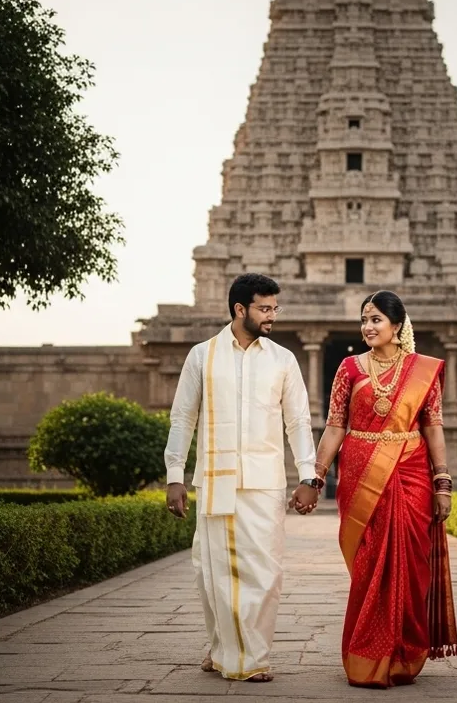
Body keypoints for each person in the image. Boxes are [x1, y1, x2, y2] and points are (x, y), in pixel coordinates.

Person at [295, 289, 457, 688]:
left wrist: (442, 481)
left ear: (397, 326)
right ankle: (368, 655)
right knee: (369, 565)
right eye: (364, 320)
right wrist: (314, 477)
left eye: (376, 320)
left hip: (412, 472)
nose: (368, 327)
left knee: (411, 564)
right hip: (360, 470)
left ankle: (404, 654)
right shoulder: (349, 368)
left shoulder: (423, 371)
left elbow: (433, 427)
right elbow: (335, 425)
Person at [162, 273, 321, 683]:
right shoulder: (202, 356)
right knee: (212, 570)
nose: (271, 316)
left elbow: (298, 422)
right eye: (264, 308)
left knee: (265, 573)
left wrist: (309, 475)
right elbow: (183, 416)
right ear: (240, 309)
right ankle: (227, 652)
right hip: (215, 479)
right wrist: (174, 475)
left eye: (274, 308)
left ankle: (249, 654)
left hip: (265, 482)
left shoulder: (283, 359)